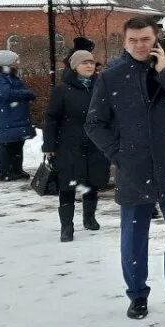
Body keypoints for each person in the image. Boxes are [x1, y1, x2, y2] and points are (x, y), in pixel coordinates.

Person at [86, 16, 165, 324]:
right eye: (133, 41)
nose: (140, 46)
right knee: (133, 236)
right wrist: (118, 155)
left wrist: (164, 73)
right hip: (134, 168)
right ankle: (137, 293)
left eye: (145, 39)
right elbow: (94, 123)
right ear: (125, 42)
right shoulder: (111, 77)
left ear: (156, 39)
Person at [44, 50, 110, 242]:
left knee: (92, 183)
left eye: (92, 62)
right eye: (84, 62)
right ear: (74, 67)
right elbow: (51, 119)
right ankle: (67, 226)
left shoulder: (101, 87)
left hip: (95, 144)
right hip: (69, 146)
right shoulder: (62, 90)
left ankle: (89, 217)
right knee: (68, 185)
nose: (90, 65)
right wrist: (49, 145)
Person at [0, 49, 36, 182]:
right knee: (7, 145)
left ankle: (16, 170)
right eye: (15, 60)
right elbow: (7, 93)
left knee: (17, 143)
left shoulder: (10, 76)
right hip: (8, 117)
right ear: (8, 62)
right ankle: (6, 173)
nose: (18, 62)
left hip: (15, 116)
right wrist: (27, 94)